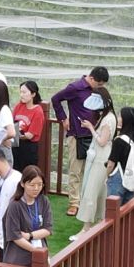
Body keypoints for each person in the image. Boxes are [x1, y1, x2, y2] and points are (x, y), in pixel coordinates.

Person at [51, 67, 111, 217]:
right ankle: (74, 203)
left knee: (91, 170)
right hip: (77, 134)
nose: (100, 87)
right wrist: (63, 118)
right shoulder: (75, 88)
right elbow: (56, 99)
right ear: (91, 79)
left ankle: (86, 200)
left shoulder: (97, 91)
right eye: (99, 84)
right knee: (75, 170)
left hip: (95, 134)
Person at [75, 90, 119, 225]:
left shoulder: (108, 119)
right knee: (98, 190)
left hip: (101, 157)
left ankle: (87, 227)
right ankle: (97, 222)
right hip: (99, 156)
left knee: (92, 190)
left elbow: (102, 141)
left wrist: (90, 128)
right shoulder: (106, 116)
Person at [106, 106, 134, 201]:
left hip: (118, 177)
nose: (118, 118)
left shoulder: (119, 140)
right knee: (128, 211)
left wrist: (107, 176)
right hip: (132, 179)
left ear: (125, 119)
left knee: (113, 210)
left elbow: (111, 164)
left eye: (120, 116)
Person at [14, 81, 46, 179]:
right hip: (15, 144)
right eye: (20, 92)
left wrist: (17, 135)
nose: (21, 95)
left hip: (28, 147)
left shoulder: (38, 111)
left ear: (33, 94)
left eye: (24, 92)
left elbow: (30, 135)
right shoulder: (19, 106)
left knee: (27, 175)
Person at [0, 149, 22, 235]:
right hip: (4, 235)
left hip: (14, 237)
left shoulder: (16, 180)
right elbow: (1, 207)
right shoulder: (1, 179)